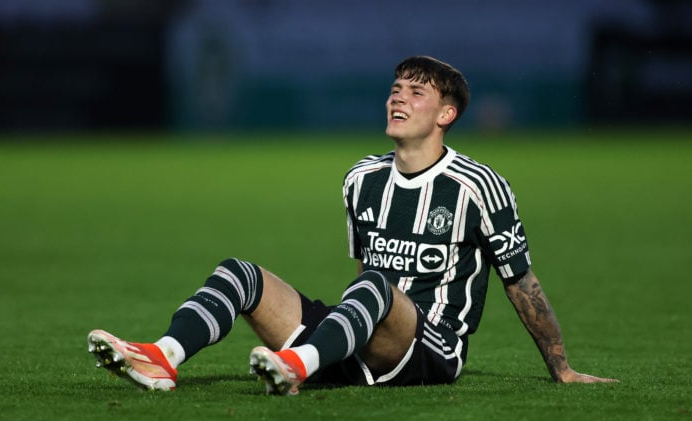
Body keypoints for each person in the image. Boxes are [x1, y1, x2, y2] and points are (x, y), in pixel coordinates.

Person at [87, 56, 618, 394]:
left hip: (430, 349)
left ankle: (299, 365)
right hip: (361, 330)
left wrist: (561, 367)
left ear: (445, 116)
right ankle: (164, 357)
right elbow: (367, 264)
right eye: (395, 88)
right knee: (238, 274)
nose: (397, 97)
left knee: (373, 285)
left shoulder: (479, 185)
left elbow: (520, 282)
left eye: (415, 92)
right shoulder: (360, 178)